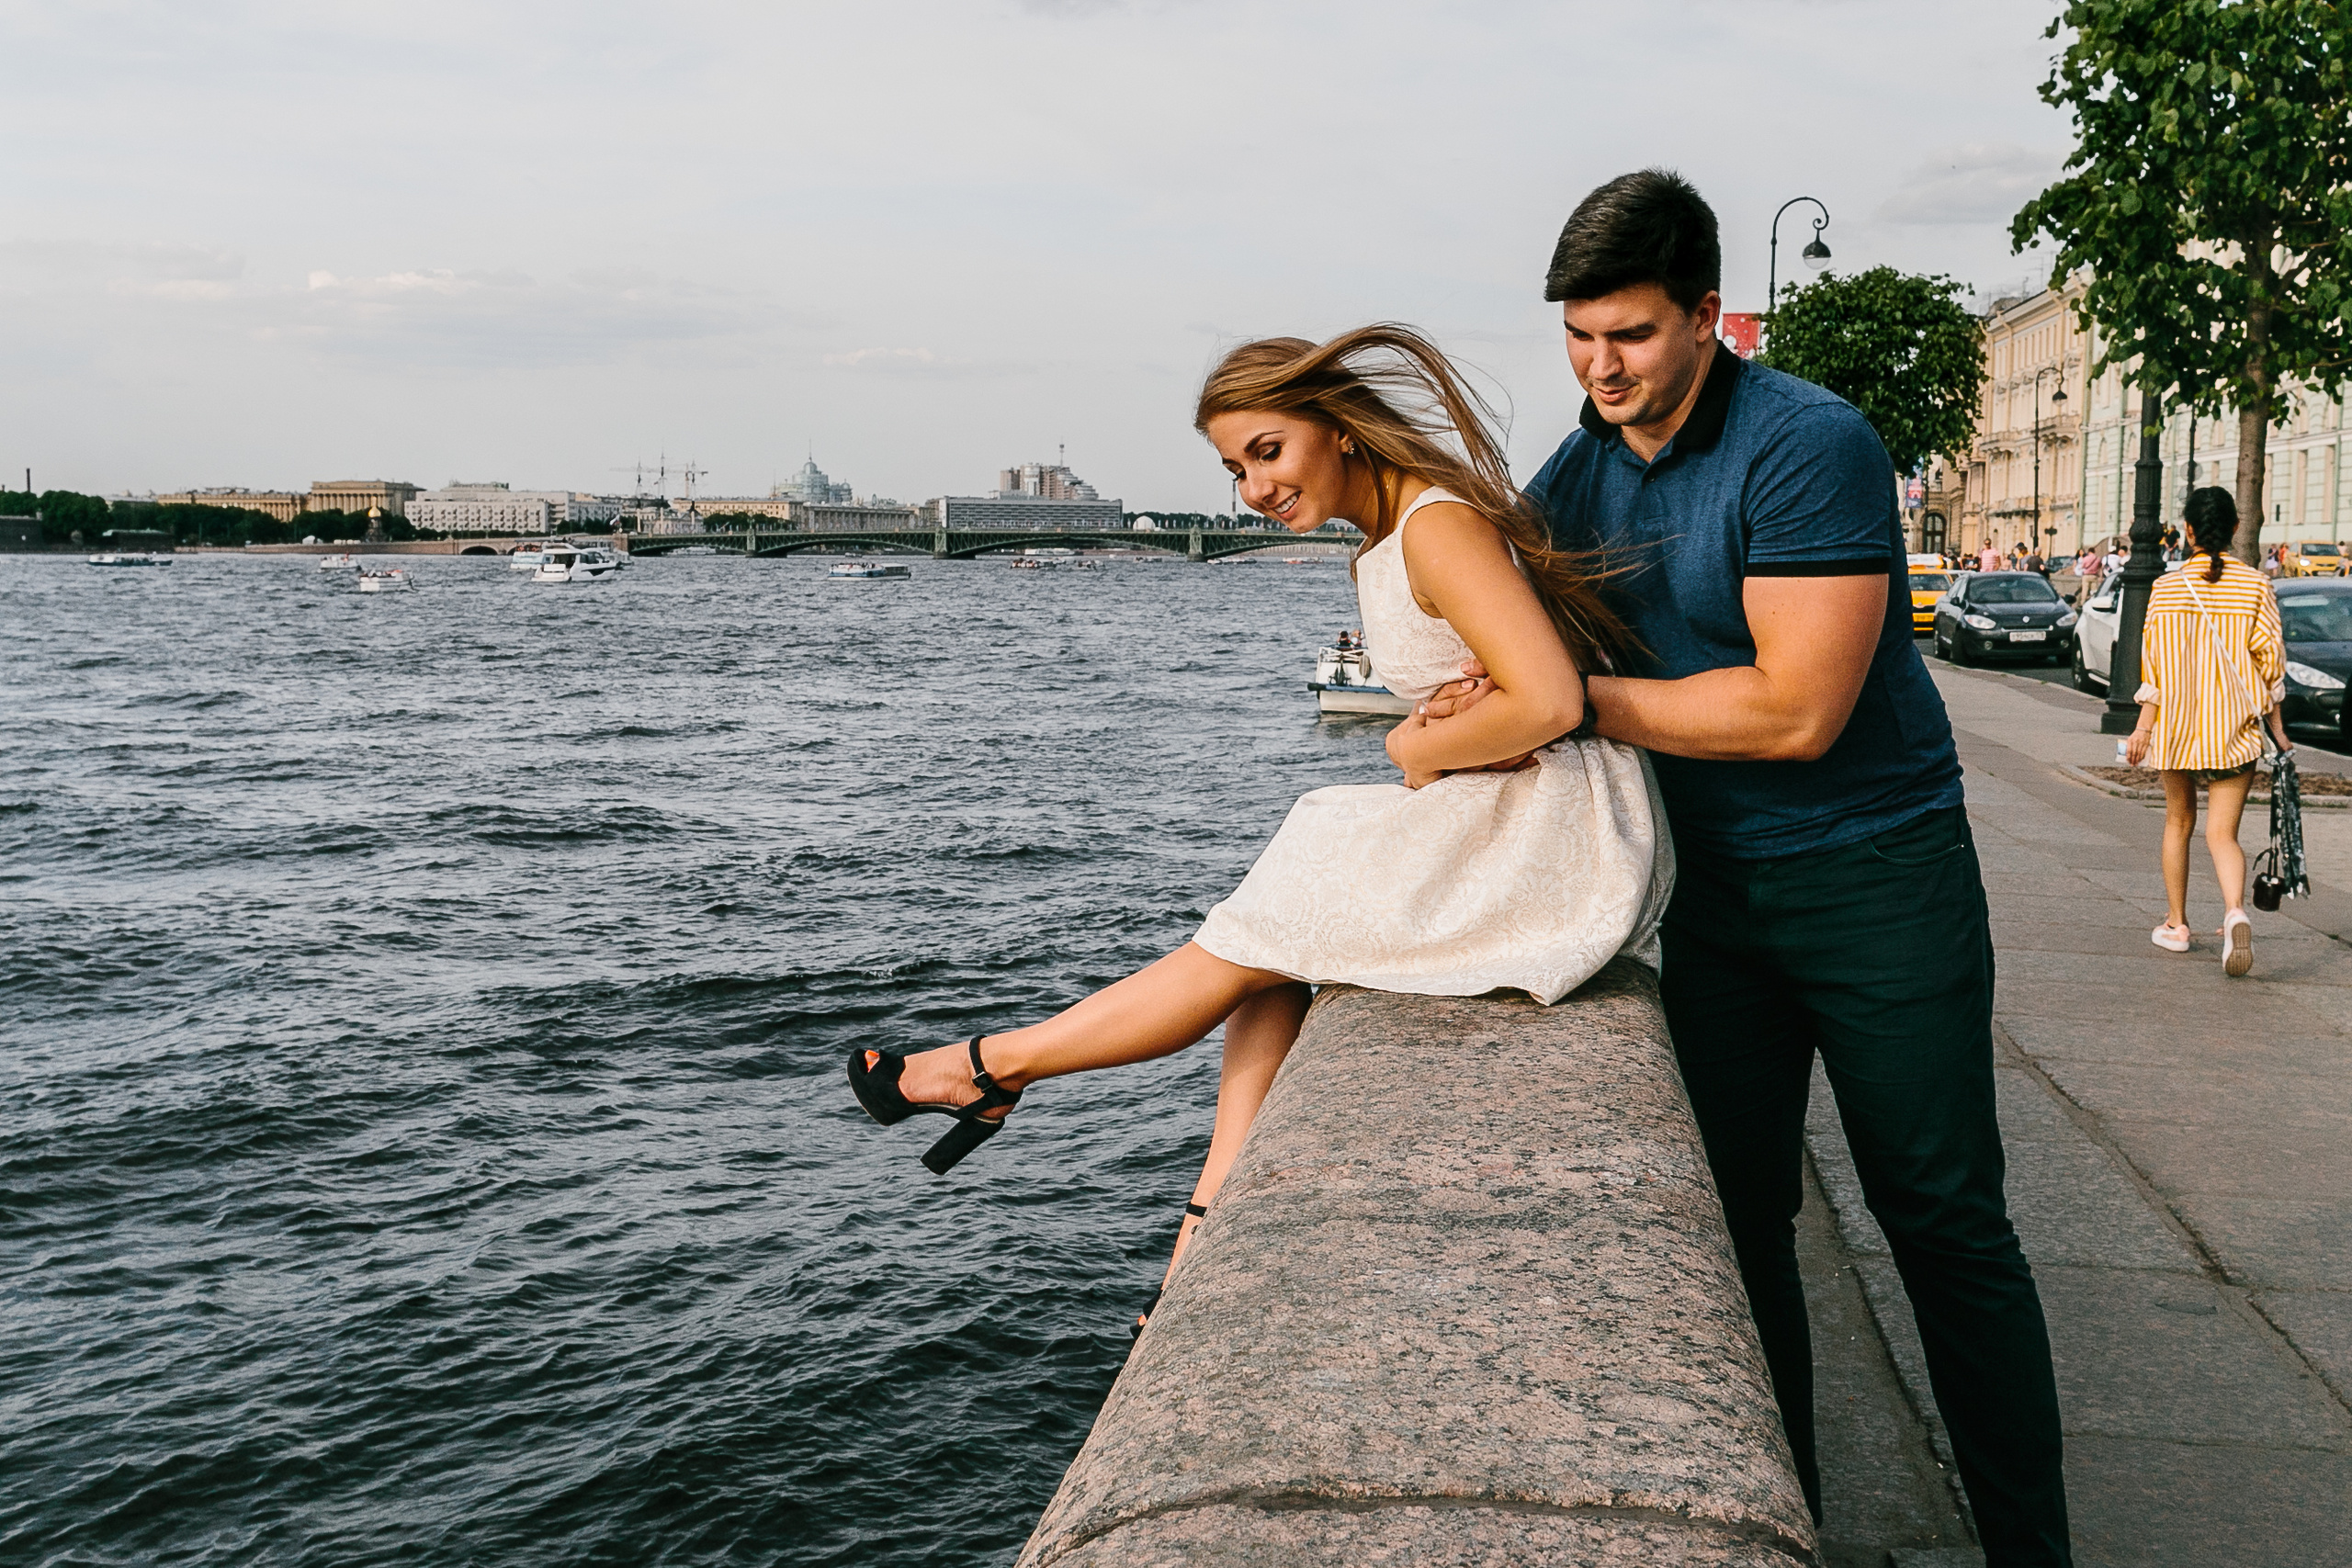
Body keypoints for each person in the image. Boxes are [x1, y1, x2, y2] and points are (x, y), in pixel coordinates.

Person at [1437, 169, 2071, 1564]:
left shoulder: (1810, 441)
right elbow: (1509, 602)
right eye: (1579, 337)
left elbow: (1796, 710)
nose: (1602, 368)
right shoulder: (1584, 460)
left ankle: (2034, 1549)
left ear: (1709, 315)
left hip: (1876, 878)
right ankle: (1790, 1535)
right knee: (1737, 1227)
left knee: (1944, 1223)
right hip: (1709, 899)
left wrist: (1574, 701)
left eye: (1633, 336)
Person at [845, 324, 1673, 1333]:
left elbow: (1548, 698)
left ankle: (993, 1067)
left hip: (1555, 836)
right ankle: (1204, 1208)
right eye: (1234, 468)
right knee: (1284, 921)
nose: (1251, 490)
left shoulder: (1435, 527)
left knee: (1295, 874)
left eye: (1267, 452)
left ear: (1339, 430)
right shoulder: (1388, 538)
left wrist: (1414, 749)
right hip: (1523, 812)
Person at [2125, 487, 2290, 975]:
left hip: (2177, 729)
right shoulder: (2255, 585)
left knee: (2179, 823)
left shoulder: (2166, 588)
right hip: (2233, 730)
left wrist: (2142, 728)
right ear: (2236, 529)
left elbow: (2151, 670)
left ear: (2189, 532)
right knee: (2223, 834)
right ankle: (2235, 912)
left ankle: (2176, 926)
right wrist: (2278, 730)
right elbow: (2271, 664)